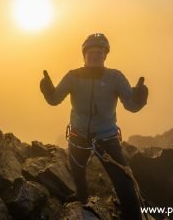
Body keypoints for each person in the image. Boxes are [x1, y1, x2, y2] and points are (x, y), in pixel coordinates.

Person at [40, 33, 148, 220]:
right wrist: (48, 90)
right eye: (91, 52)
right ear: (84, 55)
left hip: (106, 137)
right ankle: (82, 197)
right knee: (77, 171)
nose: (95, 56)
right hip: (78, 134)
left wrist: (139, 99)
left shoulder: (115, 77)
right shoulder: (73, 76)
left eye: (99, 52)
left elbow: (131, 106)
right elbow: (55, 100)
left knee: (124, 184)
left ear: (105, 56)